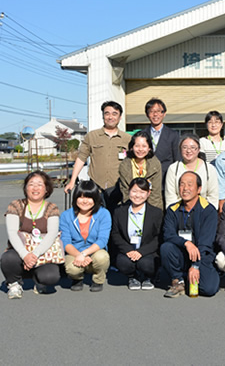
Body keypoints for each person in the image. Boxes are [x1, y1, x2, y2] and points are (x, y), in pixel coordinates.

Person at [2, 171, 62, 299]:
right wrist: (25, 255)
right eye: (31, 184)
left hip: (43, 253)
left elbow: (52, 234)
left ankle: (38, 280)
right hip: (19, 251)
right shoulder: (16, 205)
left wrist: (34, 255)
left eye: (40, 184)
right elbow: (12, 233)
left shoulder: (52, 208)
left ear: (46, 189)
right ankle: (14, 284)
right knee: (8, 259)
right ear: (25, 188)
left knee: (51, 276)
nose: (35, 188)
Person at [161, 171, 220, 298]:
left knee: (209, 289)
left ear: (199, 189)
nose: (185, 188)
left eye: (189, 184)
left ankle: (190, 275)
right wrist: (186, 243)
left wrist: (195, 266)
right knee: (166, 247)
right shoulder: (172, 209)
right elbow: (168, 234)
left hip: (202, 256)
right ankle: (178, 280)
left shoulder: (209, 211)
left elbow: (205, 244)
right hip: (181, 253)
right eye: (182, 184)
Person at [65, 101, 132, 212]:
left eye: (114, 114)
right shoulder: (92, 136)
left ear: (120, 117)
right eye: (107, 113)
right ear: (103, 116)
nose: (110, 117)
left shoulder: (127, 139)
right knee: (96, 220)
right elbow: (81, 158)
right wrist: (72, 181)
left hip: (119, 188)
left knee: (117, 222)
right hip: (97, 188)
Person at [111, 178, 162, 291]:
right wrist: (128, 250)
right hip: (128, 250)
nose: (137, 195)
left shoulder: (156, 213)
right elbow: (115, 234)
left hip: (148, 252)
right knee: (123, 262)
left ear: (148, 193)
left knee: (146, 263)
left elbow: (158, 237)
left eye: (142, 192)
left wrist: (141, 252)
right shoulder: (119, 212)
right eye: (134, 191)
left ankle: (149, 277)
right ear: (129, 191)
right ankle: (133, 277)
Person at [59, 181, 111, 292]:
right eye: (81, 197)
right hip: (74, 253)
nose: (85, 201)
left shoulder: (104, 213)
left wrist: (84, 254)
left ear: (96, 199)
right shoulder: (66, 215)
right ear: (75, 198)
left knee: (102, 257)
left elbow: (102, 240)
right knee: (72, 268)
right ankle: (77, 279)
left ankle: (98, 280)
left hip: (95, 251)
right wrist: (79, 255)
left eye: (89, 197)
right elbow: (65, 241)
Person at [164, 134, 219, 209]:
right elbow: (170, 197)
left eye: (193, 147)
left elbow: (213, 197)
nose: (189, 151)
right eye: (185, 147)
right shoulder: (173, 169)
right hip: (179, 212)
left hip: (204, 212)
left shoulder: (209, 169)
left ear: (198, 149)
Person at [118, 131, 163, 210]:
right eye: (137, 146)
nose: (140, 149)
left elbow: (155, 193)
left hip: (151, 206)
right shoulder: (124, 165)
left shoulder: (155, 164)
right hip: (130, 205)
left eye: (144, 146)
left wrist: (150, 213)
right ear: (131, 147)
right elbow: (125, 192)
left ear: (149, 148)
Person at [141, 98, 180, 179]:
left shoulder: (173, 135)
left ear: (164, 113)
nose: (155, 114)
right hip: (146, 178)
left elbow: (177, 159)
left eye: (159, 111)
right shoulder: (141, 135)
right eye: (151, 111)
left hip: (166, 177)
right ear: (147, 114)